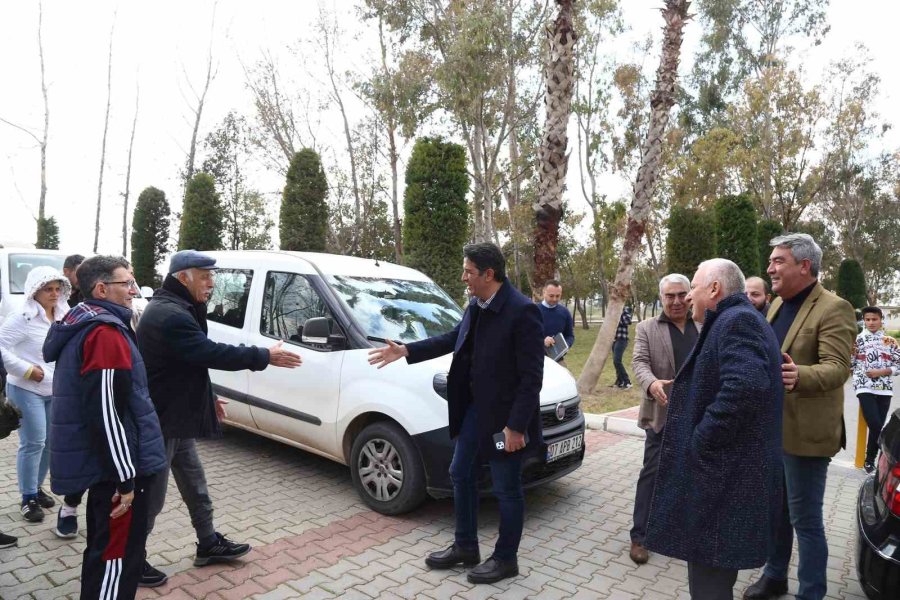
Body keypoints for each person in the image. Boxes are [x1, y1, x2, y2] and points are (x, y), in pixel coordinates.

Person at [368, 242, 543, 585]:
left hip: (505, 420)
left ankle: (506, 559)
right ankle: (466, 546)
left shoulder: (522, 311)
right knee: (460, 472)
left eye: (468, 271)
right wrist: (406, 350)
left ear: (488, 274)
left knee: (507, 488)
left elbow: (531, 377)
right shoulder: (477, 305)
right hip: (474, 410)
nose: (464, 278)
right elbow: (453, 338)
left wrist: (516, 426)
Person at [136, 250, 302, 587]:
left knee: (195, 484)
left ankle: (208, 542)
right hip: (162, 420)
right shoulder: (170, 314)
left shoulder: (182, 306)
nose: (211, 282)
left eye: (212, 276)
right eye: (204, 276)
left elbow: (190, 362)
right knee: (152, 496)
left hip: (178, 416)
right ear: (183, 277)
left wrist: (209, 399)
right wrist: (264, 355)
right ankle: (131, 558)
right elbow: (209, 353)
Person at [645, 259, 784, 599]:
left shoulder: (736, 321)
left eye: (693, 287)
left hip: (723, 480)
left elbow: (745, 387)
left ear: (714, 288)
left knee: (710, 583)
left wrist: (701, 439)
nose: (688, 296)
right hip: (726, 476)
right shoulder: (735, 318)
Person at [43, 255, 167, 600]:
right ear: (101, 289)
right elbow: (105, 412)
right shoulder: (104, 334)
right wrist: (125, 478)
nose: (133, 290)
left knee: (105, 552)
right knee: (115, 558)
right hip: (117, 471)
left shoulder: (88, 322)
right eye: (126, 283)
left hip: (109, 465)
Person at [744, 233, 857, 600]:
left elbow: (838, 367)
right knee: (776, 512)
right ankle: (775, 576)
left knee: (804, 520)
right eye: (771, 261)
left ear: (805, 266)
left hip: (806, 435)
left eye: (778, 261)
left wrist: (800, 375)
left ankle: (811, 592)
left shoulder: (834, 308)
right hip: (772, 429)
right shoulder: (777, 304)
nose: (769, 268)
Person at [628, 273, 698, 565]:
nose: (677, 301)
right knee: (653, 474)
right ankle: (640, 537)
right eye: (670, 296)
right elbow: (639, 362)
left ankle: (682, 529)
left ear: (690, 296)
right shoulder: (647, 328)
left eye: (682, 294)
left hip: (698, 416)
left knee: (692, 474)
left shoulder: (704, 324)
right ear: (661, 298)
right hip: (662, 414)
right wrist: (652, 383)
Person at [0, 266, 71, 523]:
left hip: (56, 389)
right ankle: (27, 497)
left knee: (50, 443)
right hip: (26, 388)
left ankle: (37, 488)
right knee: (34, 442)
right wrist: (26, 370)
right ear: (34, 291)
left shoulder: (65, 315)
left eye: (57, 289)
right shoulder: (22, 317)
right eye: (48, 289)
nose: (54, 294)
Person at [851, 306, 900, 473]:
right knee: (876, 424)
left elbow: (898, 365)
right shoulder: (857, 340)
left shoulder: (890, 341)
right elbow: (850, 363)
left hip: (884, 389)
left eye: (874, 319)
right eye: (868, 319)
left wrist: (882, 371)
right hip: (863, 386)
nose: (871, 322)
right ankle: (887, 459)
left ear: (881, 320)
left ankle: (870, 461)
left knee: (877, 427)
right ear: (864, 321)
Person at [537, 279, 575, 362]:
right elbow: (525, 336)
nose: (554, 299)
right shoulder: (533, 311)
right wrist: (542, 341)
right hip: (536, 359)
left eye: (558, 296)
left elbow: (570, 336)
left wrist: (565, 346)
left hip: (558, 360)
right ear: (544, 292)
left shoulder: (565, 312)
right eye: (551, 296)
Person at [613, 304, 633, 388]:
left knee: (617, 361)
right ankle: (620, 381)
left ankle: (627, 382)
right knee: (615, 362)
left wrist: (620, 314)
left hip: (622, 340)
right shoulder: (614, 311)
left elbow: (628, 321)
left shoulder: (624, 310)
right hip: (615, 340)